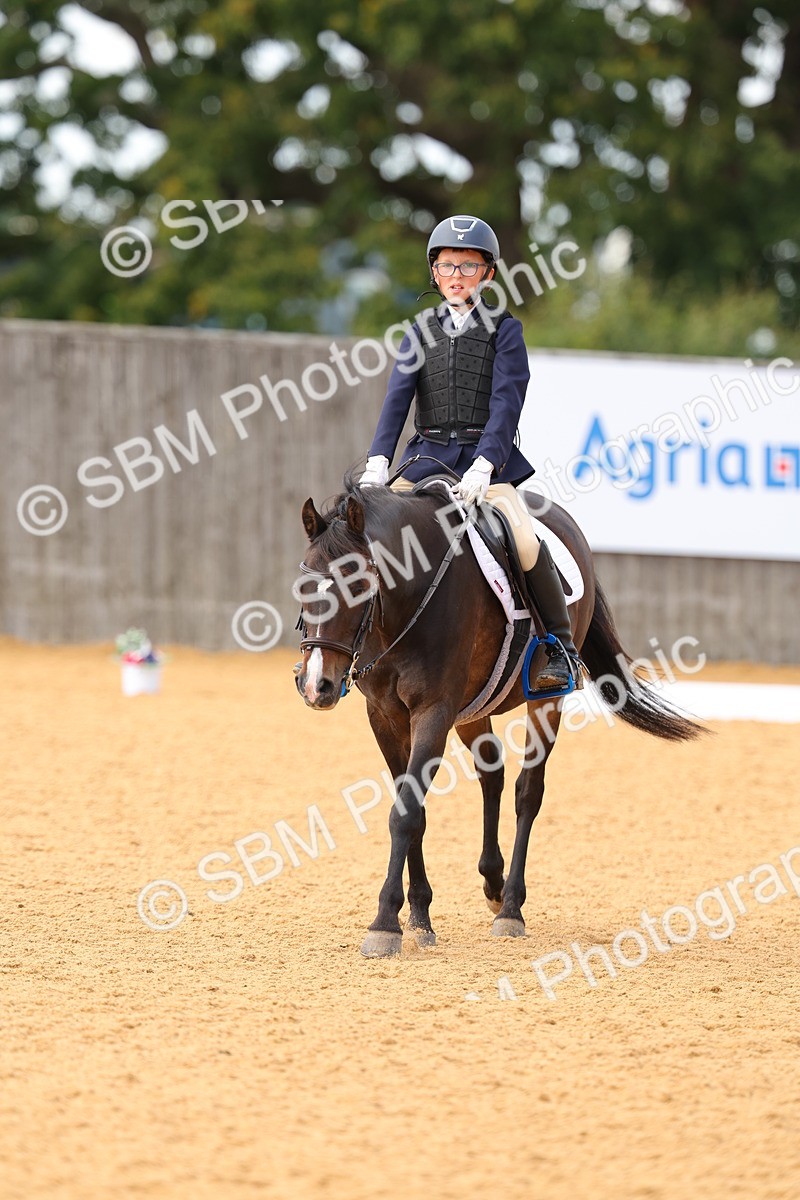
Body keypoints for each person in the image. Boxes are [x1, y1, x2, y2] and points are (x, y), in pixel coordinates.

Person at [359, 213, 581, 691]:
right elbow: (397, 400)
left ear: (488, 274)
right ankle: (352, 642)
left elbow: (507, 404)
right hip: (424, 460)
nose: (456, 276)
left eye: (467, 266)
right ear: (434, 273)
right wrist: (379, 461)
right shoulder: (418, 331)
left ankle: (558, 650)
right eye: (446, 266)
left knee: (523, 540)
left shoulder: (506, 330)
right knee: (365, 529)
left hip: (486, 465)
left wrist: (485, 463)